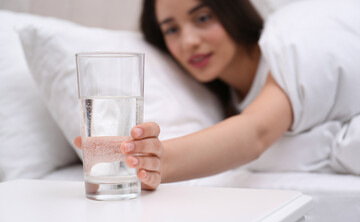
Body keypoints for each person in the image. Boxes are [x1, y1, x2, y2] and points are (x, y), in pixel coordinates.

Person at [74, 0, 360, 190]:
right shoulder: (229, 98)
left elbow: (255, 134)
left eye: (202, 17)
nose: (189, 41)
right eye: (171, 29)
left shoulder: (292, 44)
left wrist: (156, 159)